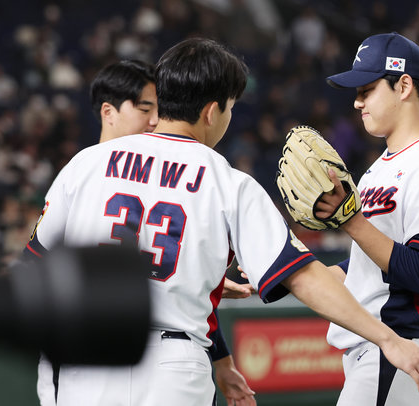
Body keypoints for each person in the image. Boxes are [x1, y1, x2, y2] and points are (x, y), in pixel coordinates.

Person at [24, 37, 419, 406]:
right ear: (210, 111)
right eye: (230, 108)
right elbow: (305, 278)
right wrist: (388, 339)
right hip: (173, 367)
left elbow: (33, 268)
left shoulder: (85, 164)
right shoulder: (227, 182)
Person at [31, 58, 256, 406]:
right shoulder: (83, 169)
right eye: (145, 108)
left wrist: (222, 359)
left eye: (159, 108)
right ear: (109, 112)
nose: (154, 119)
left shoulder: (98, 168)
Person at [318, 32, 419, 405]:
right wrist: (295, 274)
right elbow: (368, 266)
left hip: (405, 351)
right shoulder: (376, 170)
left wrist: (350, 221)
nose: (357, 102)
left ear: (404, 86)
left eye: (367, 90)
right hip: (382, 355)